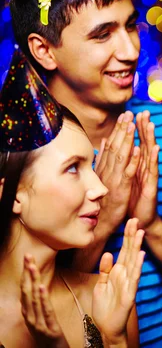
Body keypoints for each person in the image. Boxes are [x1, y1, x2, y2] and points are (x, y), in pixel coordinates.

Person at [9, 0, 162, 345]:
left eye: (130, 26)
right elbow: (26, 304)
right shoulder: (18, 158)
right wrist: (107, 216)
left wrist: (150, 226)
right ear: (44, 50)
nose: (131, 51)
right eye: (103, 34)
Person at [0, 50, 145, 347]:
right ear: (13, 195)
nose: (101, 188)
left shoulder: (103, 300)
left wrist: (116, 339)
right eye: (72, 169)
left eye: (90, 166)